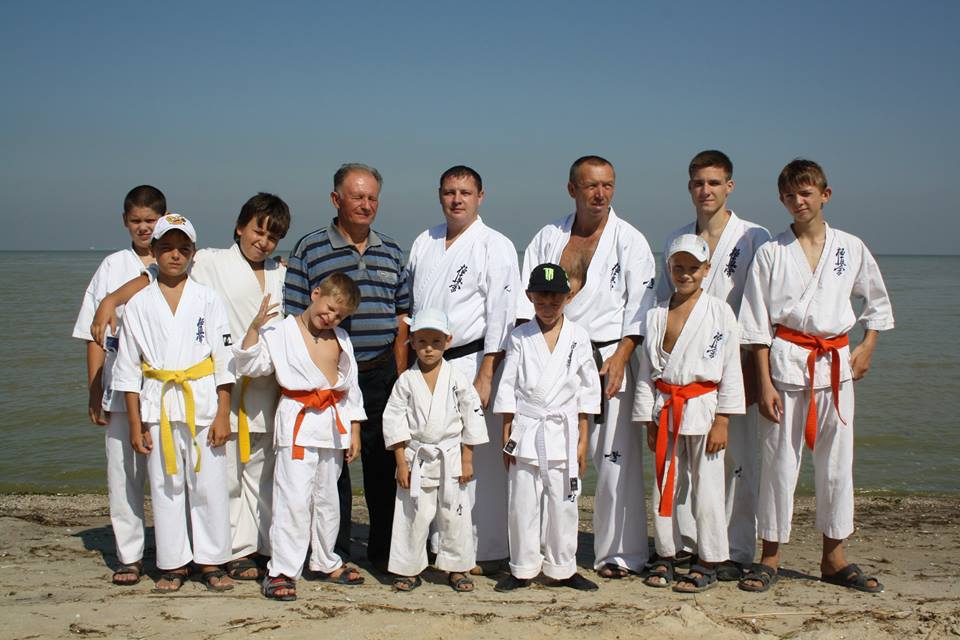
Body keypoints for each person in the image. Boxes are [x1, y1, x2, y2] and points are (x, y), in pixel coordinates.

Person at [89, 193, 292, 581]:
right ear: (240, 227)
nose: (264, 242)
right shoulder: (210, 261)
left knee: (261, 473)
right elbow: (153, 274)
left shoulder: (280, 272)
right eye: (258, 231)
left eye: (273, 237)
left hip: (262, 382)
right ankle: (230, 552)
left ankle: (262, 546)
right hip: (213, 385)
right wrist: (110, 300)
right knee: (220, 477)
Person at [738, 159, 894, 594]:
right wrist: (763, 382)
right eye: (790, 195)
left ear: (825, 195)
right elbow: (756, 324)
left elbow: (877, 302)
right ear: (781, 199)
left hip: (835, 364)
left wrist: (867, 346)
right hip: (786, 364)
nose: (798, 201)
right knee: (778, 464)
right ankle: (770, 556)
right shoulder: (772, 252)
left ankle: (833, 557)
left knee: (837, 465)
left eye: (806, 193)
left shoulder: (850, 247)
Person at [518, 155, 656, 578]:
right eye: (591, 185)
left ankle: (619, 554)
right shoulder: (549, 237)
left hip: (609, 355)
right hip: (553, 354)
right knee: (553, 456)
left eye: (607, 185)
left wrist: (622, 357)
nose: (600, 194)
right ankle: (546, 551)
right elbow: (527, 300)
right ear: (572, 189)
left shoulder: (630, 240)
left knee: (614, 459)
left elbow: (641, 309)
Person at [284, 163, 410, 573]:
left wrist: (400, 374)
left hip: (381, 372)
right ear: (336, 199)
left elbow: (403, 316)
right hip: (329, 380)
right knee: (331, 468)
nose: (365, 204)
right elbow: (294, 317)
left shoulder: (392, 251)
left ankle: (384, 552)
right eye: (357, 196)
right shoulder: (310, 248)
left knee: (383, 464)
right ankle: (332, 552)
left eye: (372, 197)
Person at [654, 150, 771, 580]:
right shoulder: (677, 239)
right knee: (689, 465)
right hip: (688, 368)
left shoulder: (753, 237)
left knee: (738, 460)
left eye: (715, 183)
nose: (707, 190)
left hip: (737, 361)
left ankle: (736, 549)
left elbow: (763, 306)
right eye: (699, 183)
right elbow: (664, 305)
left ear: (729, 187)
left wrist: (760, 369)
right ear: (690, 188)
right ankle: (688, 544)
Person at [403, 165, 520, 569]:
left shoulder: (496, 245)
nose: (457, 200)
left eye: (465, 193)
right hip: (427, 361)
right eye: (450, 192)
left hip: (473, 359)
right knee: (434, 450)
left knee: (476, 457)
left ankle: (484, 548)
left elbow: (502, 314)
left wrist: (487, 373)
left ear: (480, 197)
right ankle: (439, 544)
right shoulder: (424, 241)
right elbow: (412, 306)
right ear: (440, 195)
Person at [112, 214, 236, 593]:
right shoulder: (138, 304)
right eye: (166, 248)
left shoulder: (208, 299)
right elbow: (128, 369)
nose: (175, 255)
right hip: (158, 404)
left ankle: (212, 560)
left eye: (183, 249)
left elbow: (224, 361)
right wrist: (135, 424)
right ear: (153, 251)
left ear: (193, 253)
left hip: (202, 402)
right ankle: (173, 562)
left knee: (209, 485)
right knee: (166, 485)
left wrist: (224, 412)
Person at [235, 273, 365, 601]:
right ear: (315, 293)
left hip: (332, 425)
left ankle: (324, 560)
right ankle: (281, 570)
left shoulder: (341, 338)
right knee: (292, 499)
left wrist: (355, 429)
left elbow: (351, 387)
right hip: (298, 422)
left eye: (340, 315)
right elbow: (252, 366)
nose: (331, 317)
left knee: (328, 499)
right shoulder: (280, 331)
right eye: (330, 308)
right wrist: (254, 329)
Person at [635, 234, 745, 593]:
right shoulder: (655, 314)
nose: (685, 274)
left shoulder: (720, 312)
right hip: (666, 407)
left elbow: (730, 368)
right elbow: (647, 372)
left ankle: (709, 559)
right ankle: (667, 553)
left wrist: (723, 419)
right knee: (664, 484)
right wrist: (647, 420)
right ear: (668, 268)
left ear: (707, 269)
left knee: (708, 488)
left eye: (693, 268)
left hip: (704, 407)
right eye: (678, 267)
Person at [71, 184, 164, 585]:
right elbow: (94, 335)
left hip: (164, 388)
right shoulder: (111, 266)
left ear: (163, 219)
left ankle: (175, 551)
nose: (144, 228)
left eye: (151, 220)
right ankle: (130, 555)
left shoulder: (178, 258)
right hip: (119, 383)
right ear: (125, 222)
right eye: (136, 221)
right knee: (124, 473)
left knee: (169, 473)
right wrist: (95, 390)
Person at [494, 263, 600, 592]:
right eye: (541, 299)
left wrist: (583, 440)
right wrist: (506, 432)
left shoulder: (578, 336)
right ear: (530, 297)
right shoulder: (520, 336)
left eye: (555, 299)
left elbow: (587, 392)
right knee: (522, 502)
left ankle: (563, 567)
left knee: (563, 504)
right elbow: (508, 386)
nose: (548, 306)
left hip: (563, 430)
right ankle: (522, 568)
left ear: (568, 297)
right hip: (527, 427)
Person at [383, 308, 488, 593]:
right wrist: (401, 464)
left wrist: (468, 458)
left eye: (436, 342)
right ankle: (408, 568)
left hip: (450, 456)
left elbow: (472, 417)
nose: (429, 349)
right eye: (422, 342)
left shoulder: (457, 378)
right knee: (413, 515)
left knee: (454, 514)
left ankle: (457, 567)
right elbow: (393, 422)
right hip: (415, 458)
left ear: (448, 341)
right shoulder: (405, 381)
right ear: (412, 342)